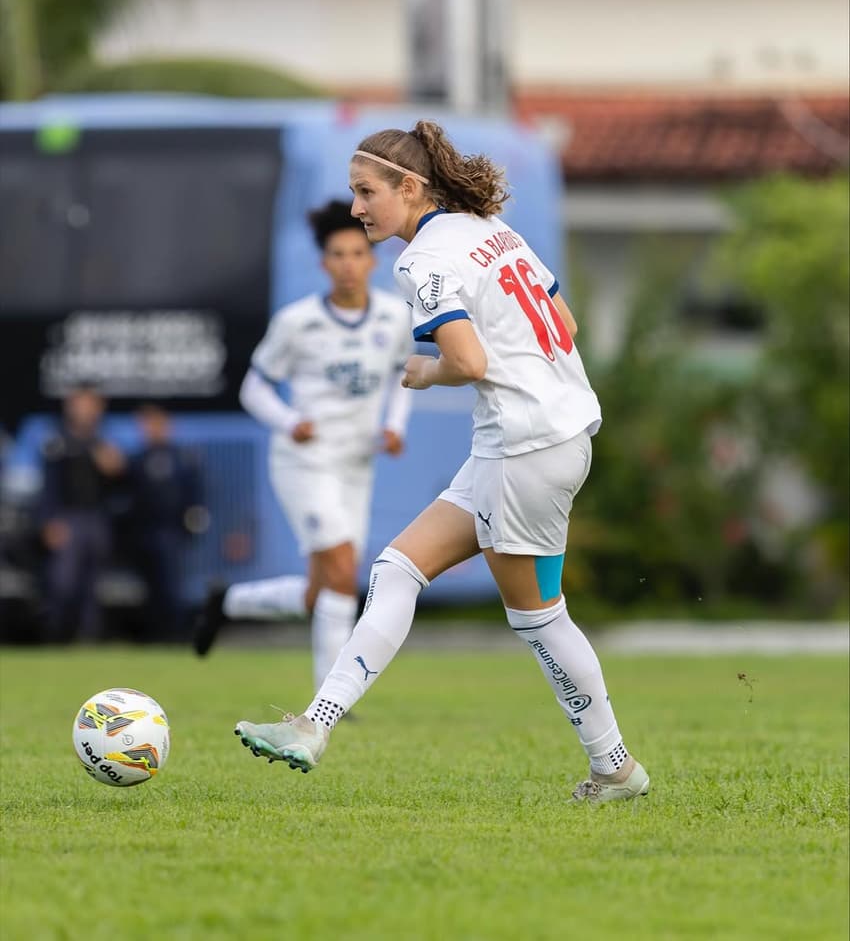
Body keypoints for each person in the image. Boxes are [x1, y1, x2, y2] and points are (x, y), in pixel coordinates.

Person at [234, 122, 650, 804]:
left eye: (366, 193)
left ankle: (615, 767)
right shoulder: (490, 227)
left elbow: (469, 361)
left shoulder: (420, 259)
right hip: (532, 439)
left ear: (410, 187)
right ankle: (313, 724)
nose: (358, 208)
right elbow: (566, 326)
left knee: (541, 620)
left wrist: (428, 374)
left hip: (526, 447)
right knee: (397, 567)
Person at [193, 200, 414, 693]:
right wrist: (291, 421)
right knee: (340, 568)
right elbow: (254, 388)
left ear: (371, 261)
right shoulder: (298, 322)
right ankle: (331, 698)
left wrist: (395, 424)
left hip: (357, 463)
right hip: (305, 462)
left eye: (358, 253)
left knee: (326, 589)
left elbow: (404, 372)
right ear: (324, 263)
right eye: (338, 254)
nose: (349, 264)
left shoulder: (393, 317)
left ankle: (227, 603)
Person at [39, 384, 125, 642]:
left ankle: (89, 638)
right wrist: (48, 522)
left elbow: (122, 485)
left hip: (97, 518)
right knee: (63, 581)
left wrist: (115, 468)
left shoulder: (105, 441)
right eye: (82, 403)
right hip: (69, 518)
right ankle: (55, 635)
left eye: (92, 404)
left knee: (94, 585)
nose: (87, 410)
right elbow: (48, 487)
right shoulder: (58, 441)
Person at [129, 404, 207, 642]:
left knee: (172, 584)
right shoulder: (136, 459)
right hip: (144, 533)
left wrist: (191, 525)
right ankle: (154, 635)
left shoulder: (182, 458)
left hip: (172, 531)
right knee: (150, 587)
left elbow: (194, 495)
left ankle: (176, 634)